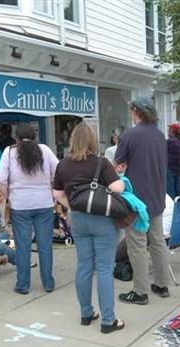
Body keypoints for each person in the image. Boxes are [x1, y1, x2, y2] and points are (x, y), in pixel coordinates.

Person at [53, 122, 125, 334]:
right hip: (102, 219)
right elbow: (117, 188)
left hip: (79, 219)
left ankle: (86, 313)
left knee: (84, 266)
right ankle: (108, 320)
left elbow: (57, 194)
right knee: (104, 268)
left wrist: (73, 206)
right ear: (93, 140)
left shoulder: (63, 164)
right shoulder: (100, 163)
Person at [114, 95, 171, 305]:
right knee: (157, 242)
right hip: (156, 196)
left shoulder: (130, 135)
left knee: (136, 244)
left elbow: (118, 163)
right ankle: (162, 284)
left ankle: (140, 291)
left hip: (136, 200)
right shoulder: (159, 134)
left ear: (136, 111)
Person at [0, 123, 58, 295]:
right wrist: (51, 187)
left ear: (16, 138)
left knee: (22, 247)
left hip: (20, 205)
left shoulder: (9, 152)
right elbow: (58, 171)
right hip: (44, 204)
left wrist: (8, 199)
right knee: (45, 245)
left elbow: (1, 181)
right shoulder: (45, 150)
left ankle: (23, 285)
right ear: (35, 136)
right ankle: (48, 283)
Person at [166, 123, 180, 199]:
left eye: (169, 129)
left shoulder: (169, 142)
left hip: (169, 169)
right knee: (177, 191)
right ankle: (179, 209)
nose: (168, 131)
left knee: (170, 193)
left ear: (172, 131)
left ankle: (171, 209)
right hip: (177, 169)